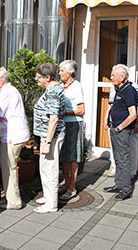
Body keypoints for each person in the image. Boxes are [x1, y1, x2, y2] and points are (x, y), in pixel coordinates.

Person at [0, 67, 30, 210]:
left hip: (12, 136)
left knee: (8, 168)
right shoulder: (11, 90)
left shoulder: (6, 92)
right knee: (10, 167)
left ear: (1, 81)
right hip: (18, 134)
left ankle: (14, 202)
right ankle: (12, 198)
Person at [33, 63, 66, 213]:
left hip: (51, 137)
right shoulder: (54, 89)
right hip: (48, 136)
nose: (36, 79)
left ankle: (51, 204)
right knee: (45, 167)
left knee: (49, 169)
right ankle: (48, 196)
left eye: (39, 77)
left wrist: (47, 142)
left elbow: (54, 119)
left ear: (47, 77)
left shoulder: (53, 92)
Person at [103, 64, 137, 201]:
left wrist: (119, 128)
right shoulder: (119, 89)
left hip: (121, 131)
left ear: (122, 77)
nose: (111, 78)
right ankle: (118, 184)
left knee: (123, 159)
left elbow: (133, 114)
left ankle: (126, 189)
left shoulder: (129, 90)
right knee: (117, 159)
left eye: (113, 75)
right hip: (115, 128)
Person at [58, 60, 85, 201]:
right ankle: (66, 183)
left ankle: (72, 188)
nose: (59, 73)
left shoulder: (76, 86)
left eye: (62, 70)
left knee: (73, 156)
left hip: (74, 124)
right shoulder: (61, 86)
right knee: (64, 156)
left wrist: (65, 113)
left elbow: (81, 110)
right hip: (62, 125)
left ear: (70, 72)